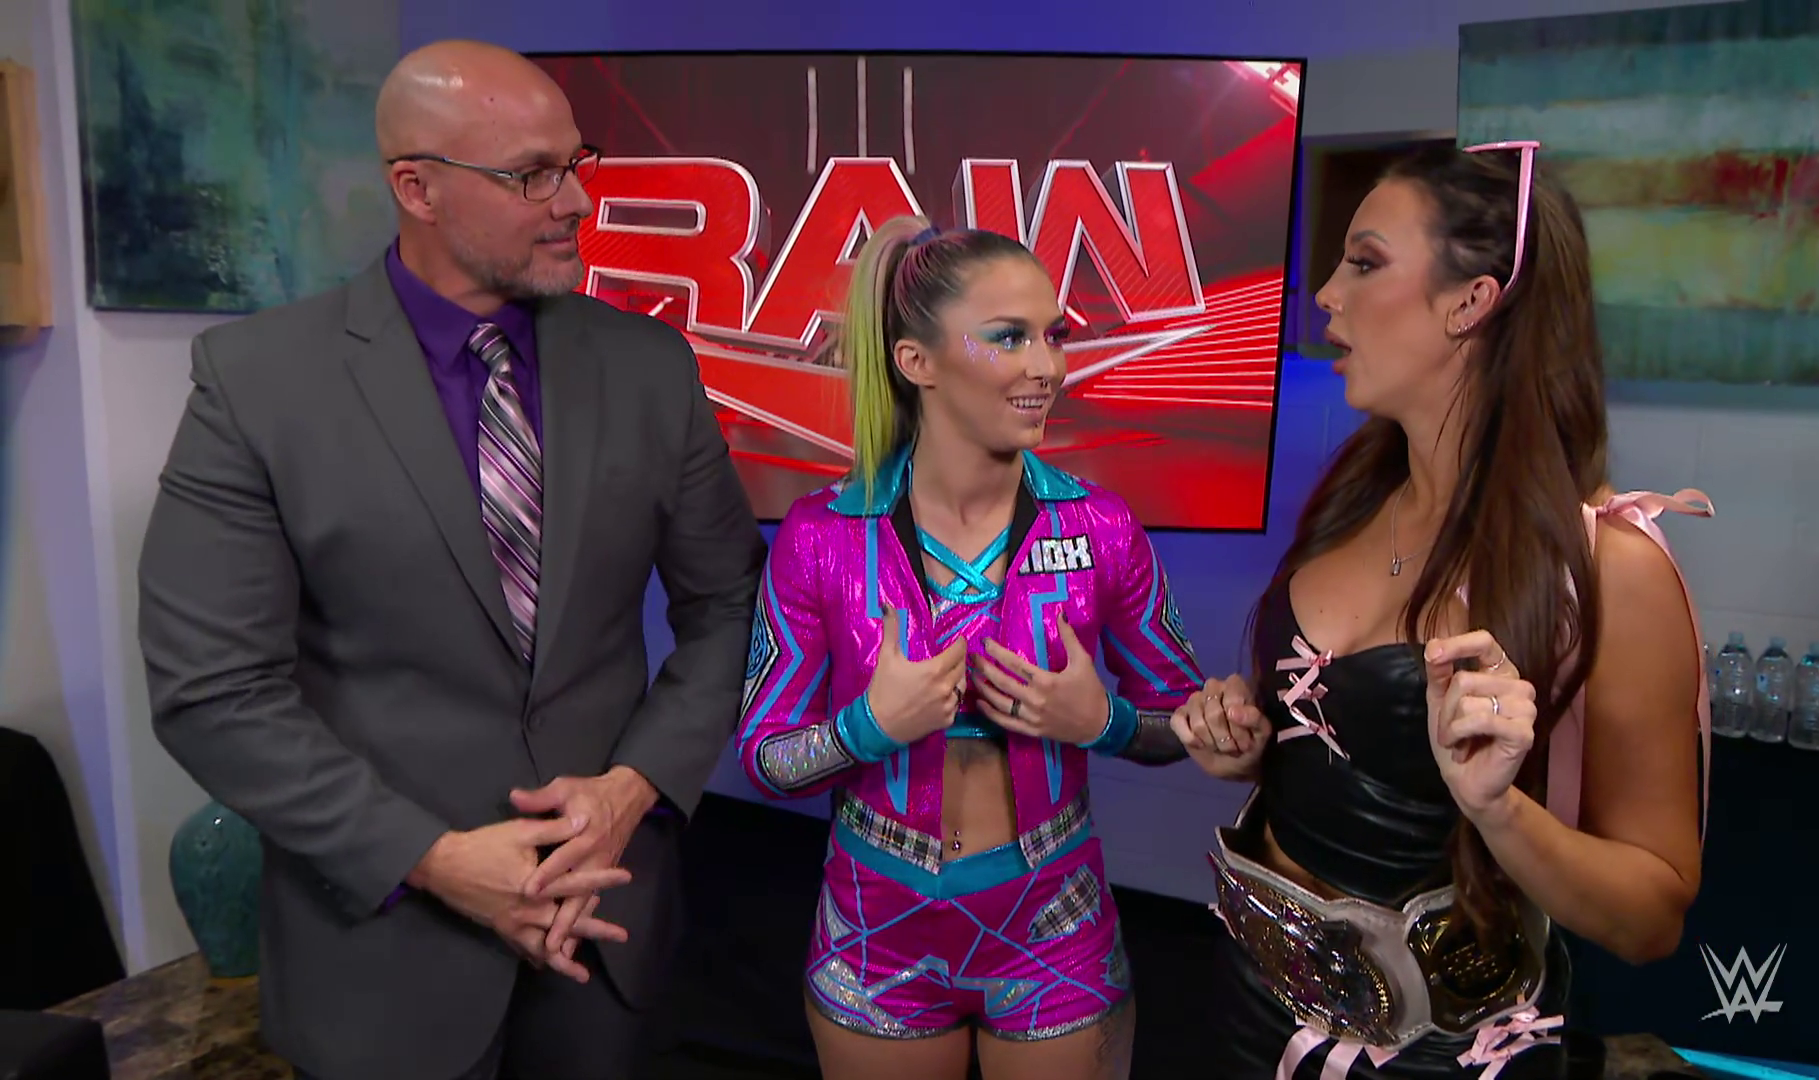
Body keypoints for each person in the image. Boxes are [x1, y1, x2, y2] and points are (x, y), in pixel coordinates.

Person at [137, 40, 766, 1080]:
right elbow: (212, 688)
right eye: (531, 175)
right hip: (381, 963)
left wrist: (634, 788)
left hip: (604, 937)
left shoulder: (649, 368)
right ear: (416, 189)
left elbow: (728, 603)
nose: (575, 201)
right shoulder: (257, 385)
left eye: (577, 163)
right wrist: (430, 859)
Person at [1169, 142, 1715, 1080]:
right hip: (1250, 1007)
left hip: (1440, 1055)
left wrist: (1499, 810)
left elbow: (1652, 916)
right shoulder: (1353, 496)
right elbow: (1343, 748)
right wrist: (1251, 744)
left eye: (1365, 262)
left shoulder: (1608, 567)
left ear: (1471, 302)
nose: (1326, 294)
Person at [733, 215, 1204, 1080]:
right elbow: (765, 759)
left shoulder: (1100, 529)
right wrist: (869, 728)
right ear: (917, 361)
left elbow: (1186, 723)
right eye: (1010, 337)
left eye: (1054, 336)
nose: (1048, 366)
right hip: (874, 930)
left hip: (1056, 925)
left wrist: (1101, 722)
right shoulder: (821, 536)